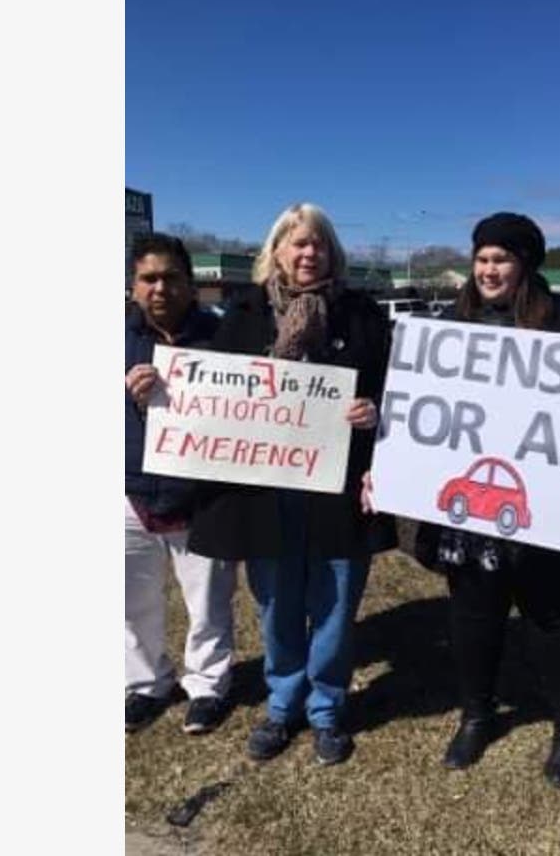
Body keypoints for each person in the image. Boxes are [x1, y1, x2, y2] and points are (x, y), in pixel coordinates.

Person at [371, 212, 560, 789]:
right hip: (471, 518)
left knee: (552, 616)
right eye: (482, 259)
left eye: (501, 258)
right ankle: (477, 714)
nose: (489, 269)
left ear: (525, 264)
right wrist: (391, 467)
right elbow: (424, 411)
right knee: (473, 615)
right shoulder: (451, 325)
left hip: (542, 504)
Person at [187, 203, 395, 767]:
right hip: (265, 489)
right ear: (275, 250)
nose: (309, 254)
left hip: (339, 486)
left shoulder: (362, 316)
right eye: (297, 243)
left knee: (334, 600)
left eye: (319, 244)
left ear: (333, 253)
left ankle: (326, 708)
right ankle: (283, 704)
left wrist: (376, 411)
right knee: (276, 603)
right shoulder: (244, 315)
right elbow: (209, 400)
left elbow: (396, 390)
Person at [125, 233, 238, 735]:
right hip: (129, 490)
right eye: (148, 278)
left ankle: (209, 686)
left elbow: (250, 415)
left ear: (192, 285)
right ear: (132, 286)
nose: (160, 288)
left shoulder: (224, 338)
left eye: (171, 277)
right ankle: (146, 684)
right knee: (130, 601)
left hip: (201, 497)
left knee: (209, 602)